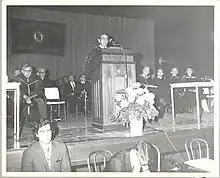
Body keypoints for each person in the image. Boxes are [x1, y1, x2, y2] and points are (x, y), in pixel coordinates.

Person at [15, 64, 48, 136]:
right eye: (25, 71)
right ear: (22, 71)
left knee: (41, 102)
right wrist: (26, 97)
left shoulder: (36, 78)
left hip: (33, 98)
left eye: (29, 71)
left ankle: (43, 121)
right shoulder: (17, 79)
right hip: (21, 99)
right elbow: (18, 91)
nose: (28, 73)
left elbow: (39, 90)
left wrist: (31, 97)